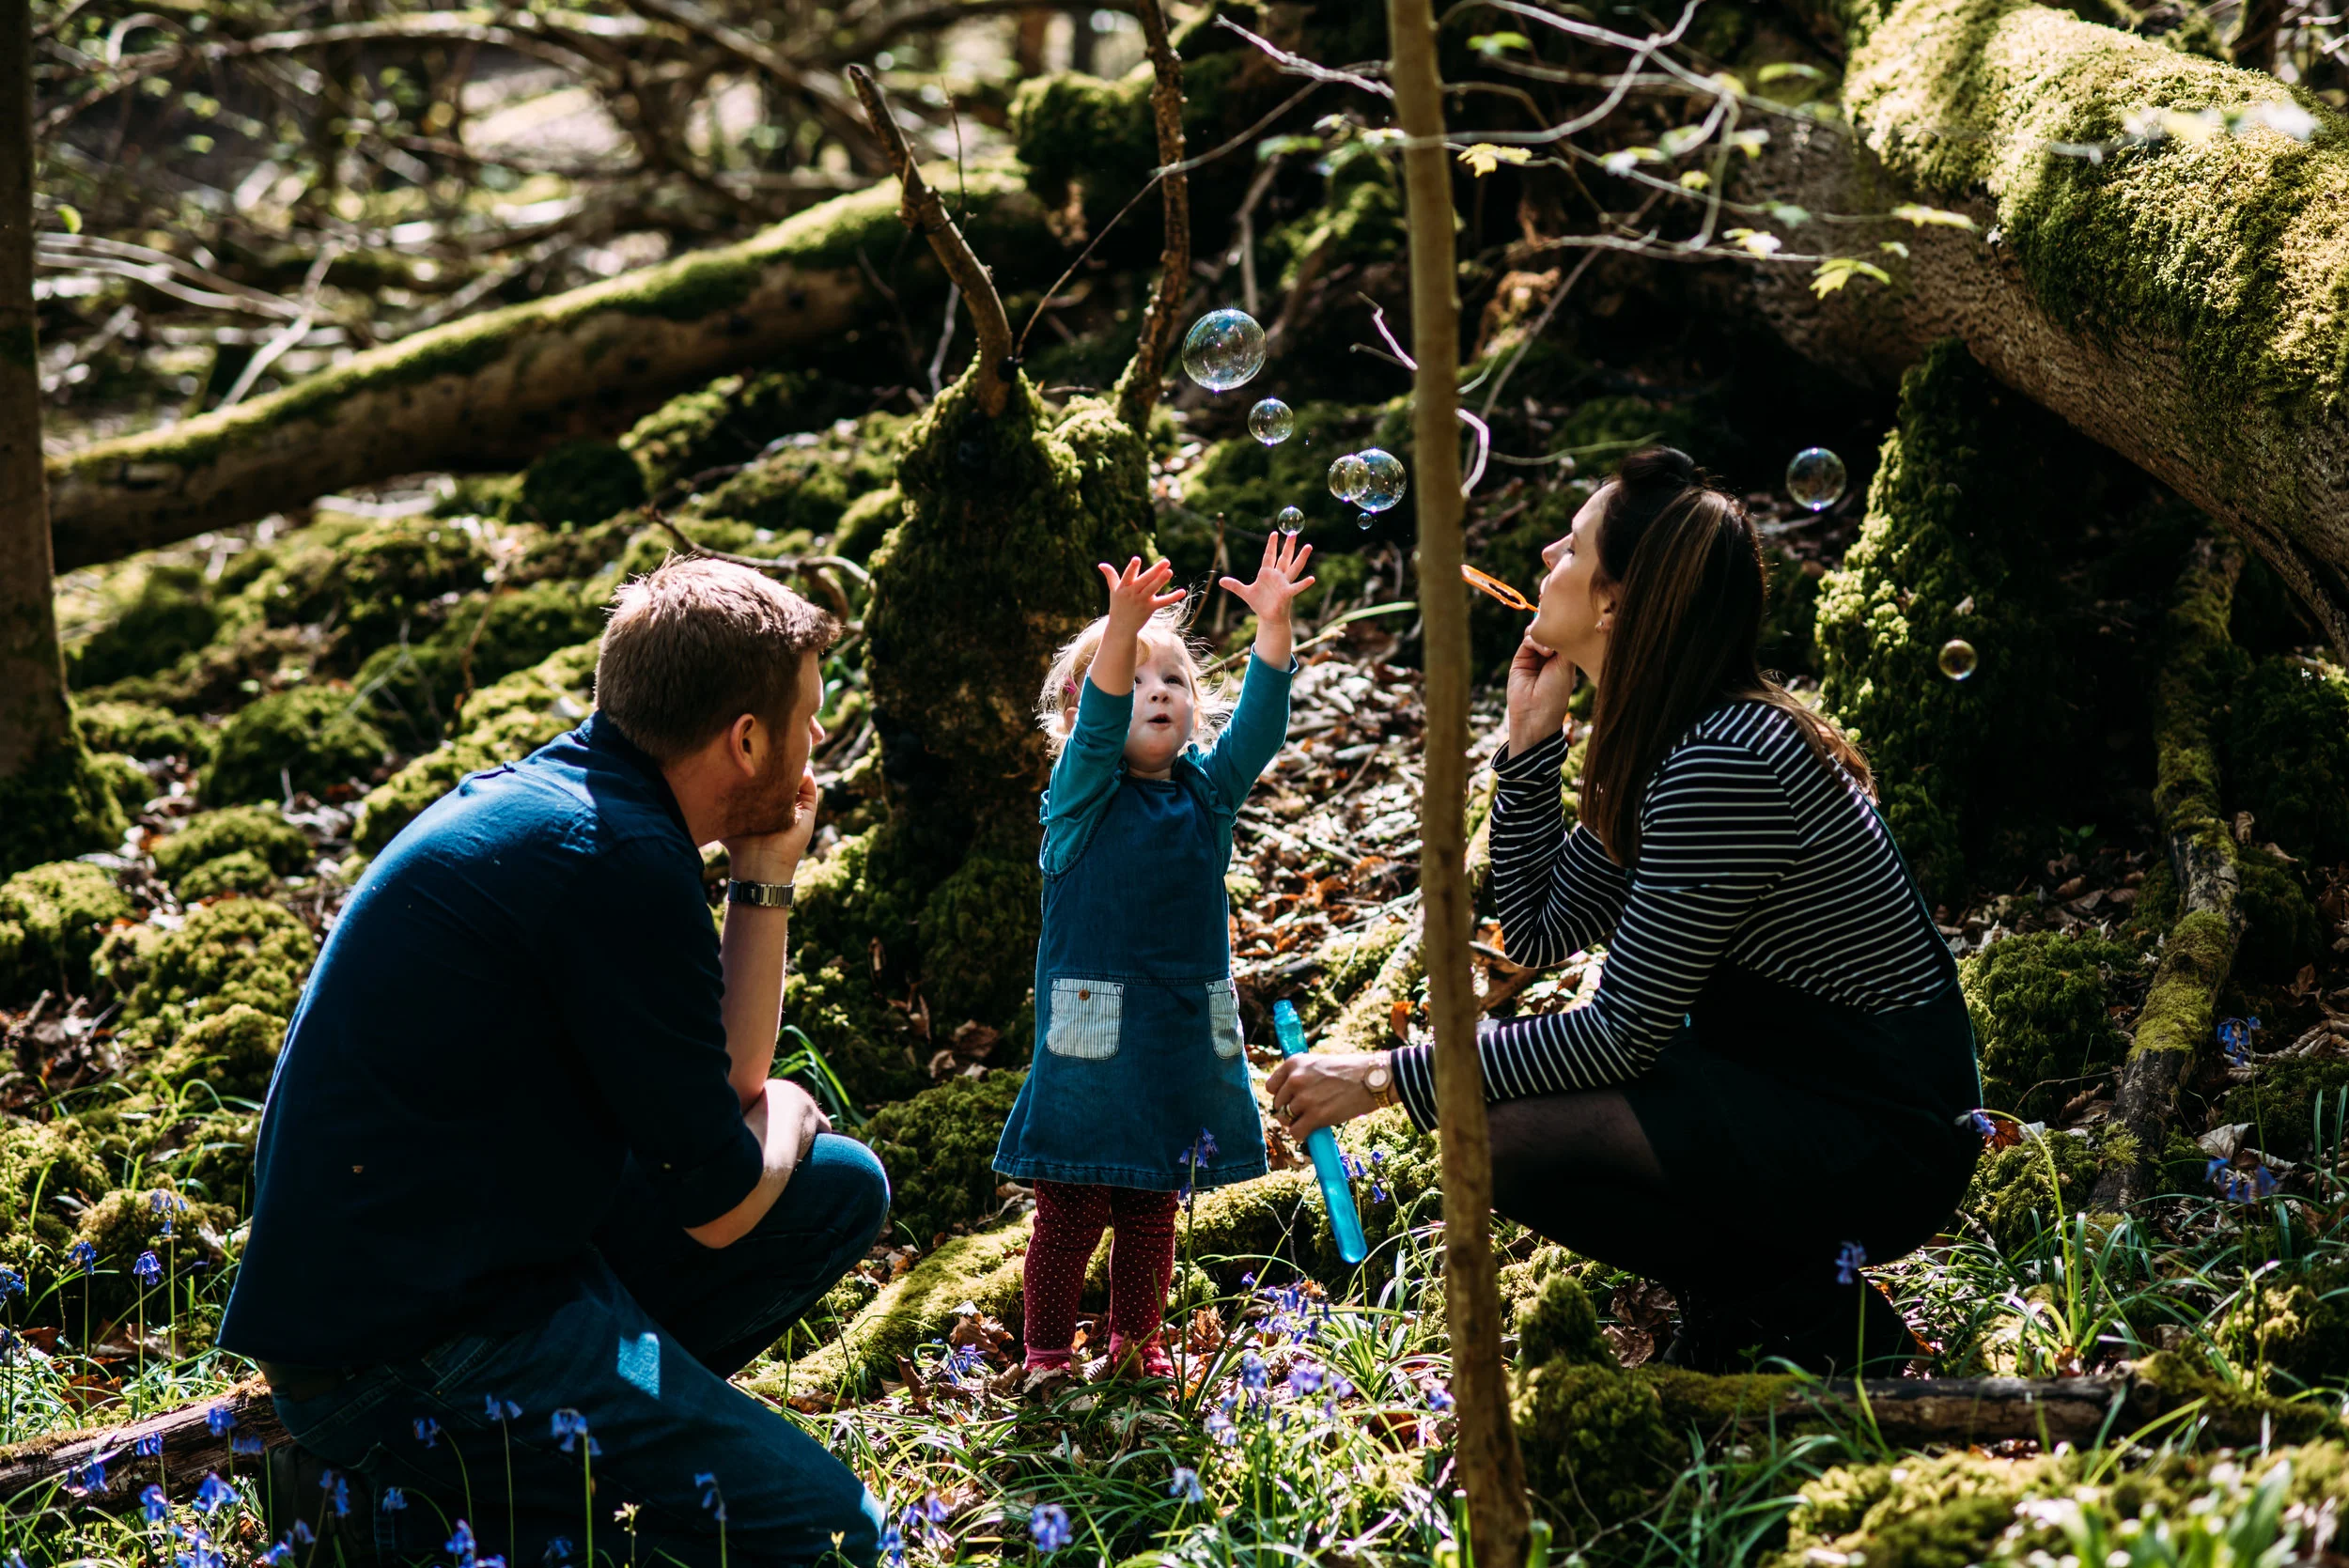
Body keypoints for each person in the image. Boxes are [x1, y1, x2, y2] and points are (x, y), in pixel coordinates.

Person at [220, 559, 890, 1565]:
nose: (820, 740)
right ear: (746, 741)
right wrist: (791, 1105)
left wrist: (765, 878)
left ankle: (522, 1482)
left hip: (484, 1275)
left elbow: (721, 1101)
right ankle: (419, 1489)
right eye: (809, 714)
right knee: (829, 1531)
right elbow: (722, 1198)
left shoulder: (578, 805)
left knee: (836, 1190)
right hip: (414, 1360)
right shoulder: (615, 860)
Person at [1266, 448, 1983, 1373]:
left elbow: (1619, 1036)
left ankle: (1822, 1323)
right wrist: (1530, 746)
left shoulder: (1725, 759)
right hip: (1786, 1092)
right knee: (1489, 1108)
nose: (1543, 559)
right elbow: (1536, 931)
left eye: (1569, 546)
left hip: (1884, 1137)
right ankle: (1762, 1308)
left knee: (1490, 1123)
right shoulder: (1669, 738)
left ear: (1614, 599)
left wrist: (1384, 1076)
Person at [993, 535, 1315, 1382]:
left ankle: (1136, 1346)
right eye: (1133, 680)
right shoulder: (1078, 799)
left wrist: (1274, 629)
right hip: (1090, 1049)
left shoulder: (1204, 796)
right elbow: (1097, 736)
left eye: (1172, 679)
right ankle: (1049, 1355)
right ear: (1079, 713)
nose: (1158, 691)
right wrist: (1120, 631)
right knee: (1068, 1212)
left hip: (1174, 1040)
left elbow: (1259, 730)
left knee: (1150, 1212)